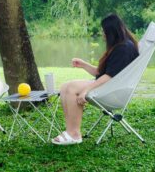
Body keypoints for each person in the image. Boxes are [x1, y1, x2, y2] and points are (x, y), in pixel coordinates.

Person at [52, 14, 139, 145]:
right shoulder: (120, 46)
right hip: (108, 85)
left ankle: (74, 134)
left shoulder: (124, 48)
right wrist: (83, 64)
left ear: (111, 32)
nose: (102, 34)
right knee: (65, 86)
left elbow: (109, 77)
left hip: (112, 91)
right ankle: (70, 131)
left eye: (104, 31)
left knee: (71, 88)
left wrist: (86, 90)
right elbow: (102, 73)